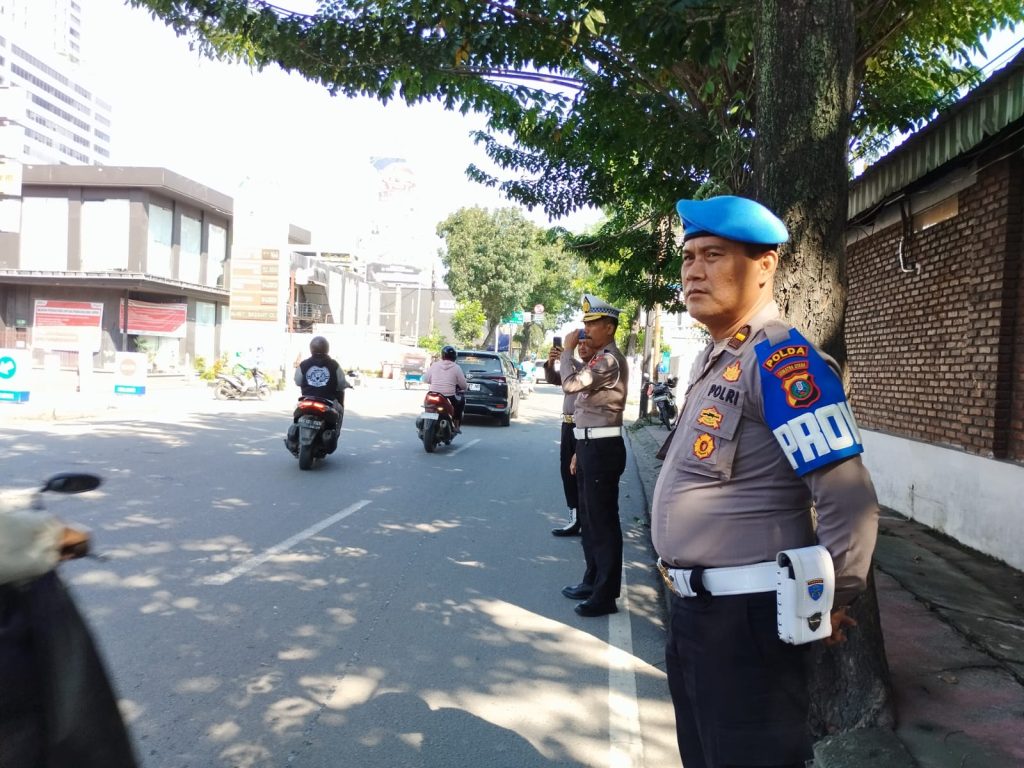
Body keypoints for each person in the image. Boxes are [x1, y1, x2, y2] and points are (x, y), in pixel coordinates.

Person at [651, 195, 880, 768]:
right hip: (695, 615)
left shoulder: (782, 362)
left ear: (765, 265)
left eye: (713, 255)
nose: (693, 271)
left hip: (749, 624)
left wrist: (832, 600)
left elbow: (848, 498)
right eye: (688, 257)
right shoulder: (718, 357)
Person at [557, 295, 629, 617]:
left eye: (592, 324)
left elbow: (571, 385)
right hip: (588, 446)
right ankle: (592, 580)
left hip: (602, 448)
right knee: (588, 520)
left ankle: (605, 594)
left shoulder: (609, 361)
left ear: (609, 328)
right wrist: (578, 449)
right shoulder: (598, 358)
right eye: (584, 324)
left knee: (602, 523)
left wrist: (567, 352)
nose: (585, 329)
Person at [543, 338, 596, 536]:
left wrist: (568, 357)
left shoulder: (596, 367)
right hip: (568, 425)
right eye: (578, 344)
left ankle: (587, 519)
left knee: (582, 473)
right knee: (567, 472)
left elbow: (580, 379)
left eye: (586, 343)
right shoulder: (573, 367)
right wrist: (551, 363)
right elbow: (556, 379)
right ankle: (575, 518)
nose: (581, 347)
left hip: (585, 425)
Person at [291, 336, 351, 452]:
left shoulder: (304, 364)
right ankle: (335, 434)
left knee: (297, 413)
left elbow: (297, 381)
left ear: (311, 348)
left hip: (307, 399)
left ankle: (295, 436)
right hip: (327, 401)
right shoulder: (334, 365)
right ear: (327, 348)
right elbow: (341, 383)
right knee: (340, 411)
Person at [423, 345, 467, 432]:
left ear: (442, 355)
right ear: (454, 356)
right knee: (461, 402)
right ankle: (456, 425)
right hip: (449, 395)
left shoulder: (434, 365)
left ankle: (423, 422)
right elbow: (463, 385)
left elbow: (426, 379)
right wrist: (463, 387)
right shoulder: (456, 367)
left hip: (432, 393)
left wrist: (434, 382)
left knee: (427, 405)